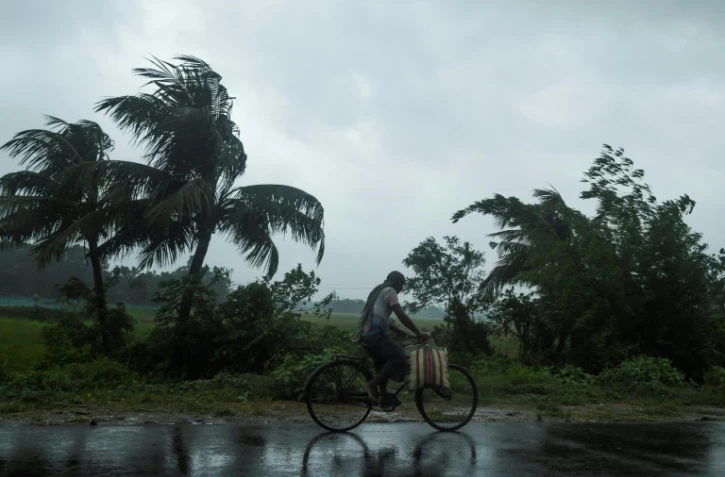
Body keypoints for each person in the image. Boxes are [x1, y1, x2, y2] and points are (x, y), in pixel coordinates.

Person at [354, 271, 429, 403]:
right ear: (396, 283)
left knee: (382, 362)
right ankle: (372, 385)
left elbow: (380, 316)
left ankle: (383, 396)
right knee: (398, 357)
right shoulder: (390, 290)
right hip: (375, 335)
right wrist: (418, 332)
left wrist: (398, 330)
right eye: (402, 285)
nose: (402, 289)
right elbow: (400, 314)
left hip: (365, 335)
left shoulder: (378, 290)